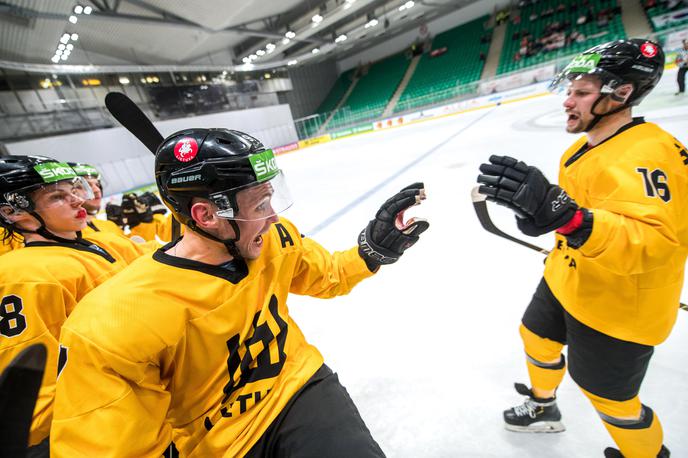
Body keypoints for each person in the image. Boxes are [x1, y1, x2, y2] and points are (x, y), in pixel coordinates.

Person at [51, 128, 429, 457]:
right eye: (260, 204)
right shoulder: (112, 320)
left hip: (297, 387)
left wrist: (371, 251)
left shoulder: (272, 238)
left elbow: (327, 275)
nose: (274, 217)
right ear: (206, 216)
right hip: (217, 444)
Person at [477, 39, 685, 457]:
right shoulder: (581, 148)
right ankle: (543, 408)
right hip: (568, 276)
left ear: (622, 93)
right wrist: (540, 213)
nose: (568, 101)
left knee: (609, 396)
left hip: (621, 304)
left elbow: (658, 245)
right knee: (534, 335)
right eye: (570, 89)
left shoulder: (651, 154)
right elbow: (573, 216)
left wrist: (572, 219)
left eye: (582, 92)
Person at [0, 155, 158, 455]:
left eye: (74, 189)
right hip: (94, 430)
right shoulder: (24, 275)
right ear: (13, 212)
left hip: (139, 400)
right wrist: (41, 442)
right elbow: (34, 369)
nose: (77, 200)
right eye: (57, 196)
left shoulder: (94, 242)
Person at [67, 162, 124, 236]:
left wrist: (138, 223)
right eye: (86, 185)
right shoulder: (68, 234)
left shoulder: (109, 225)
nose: (97, 190)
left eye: (97, 185)